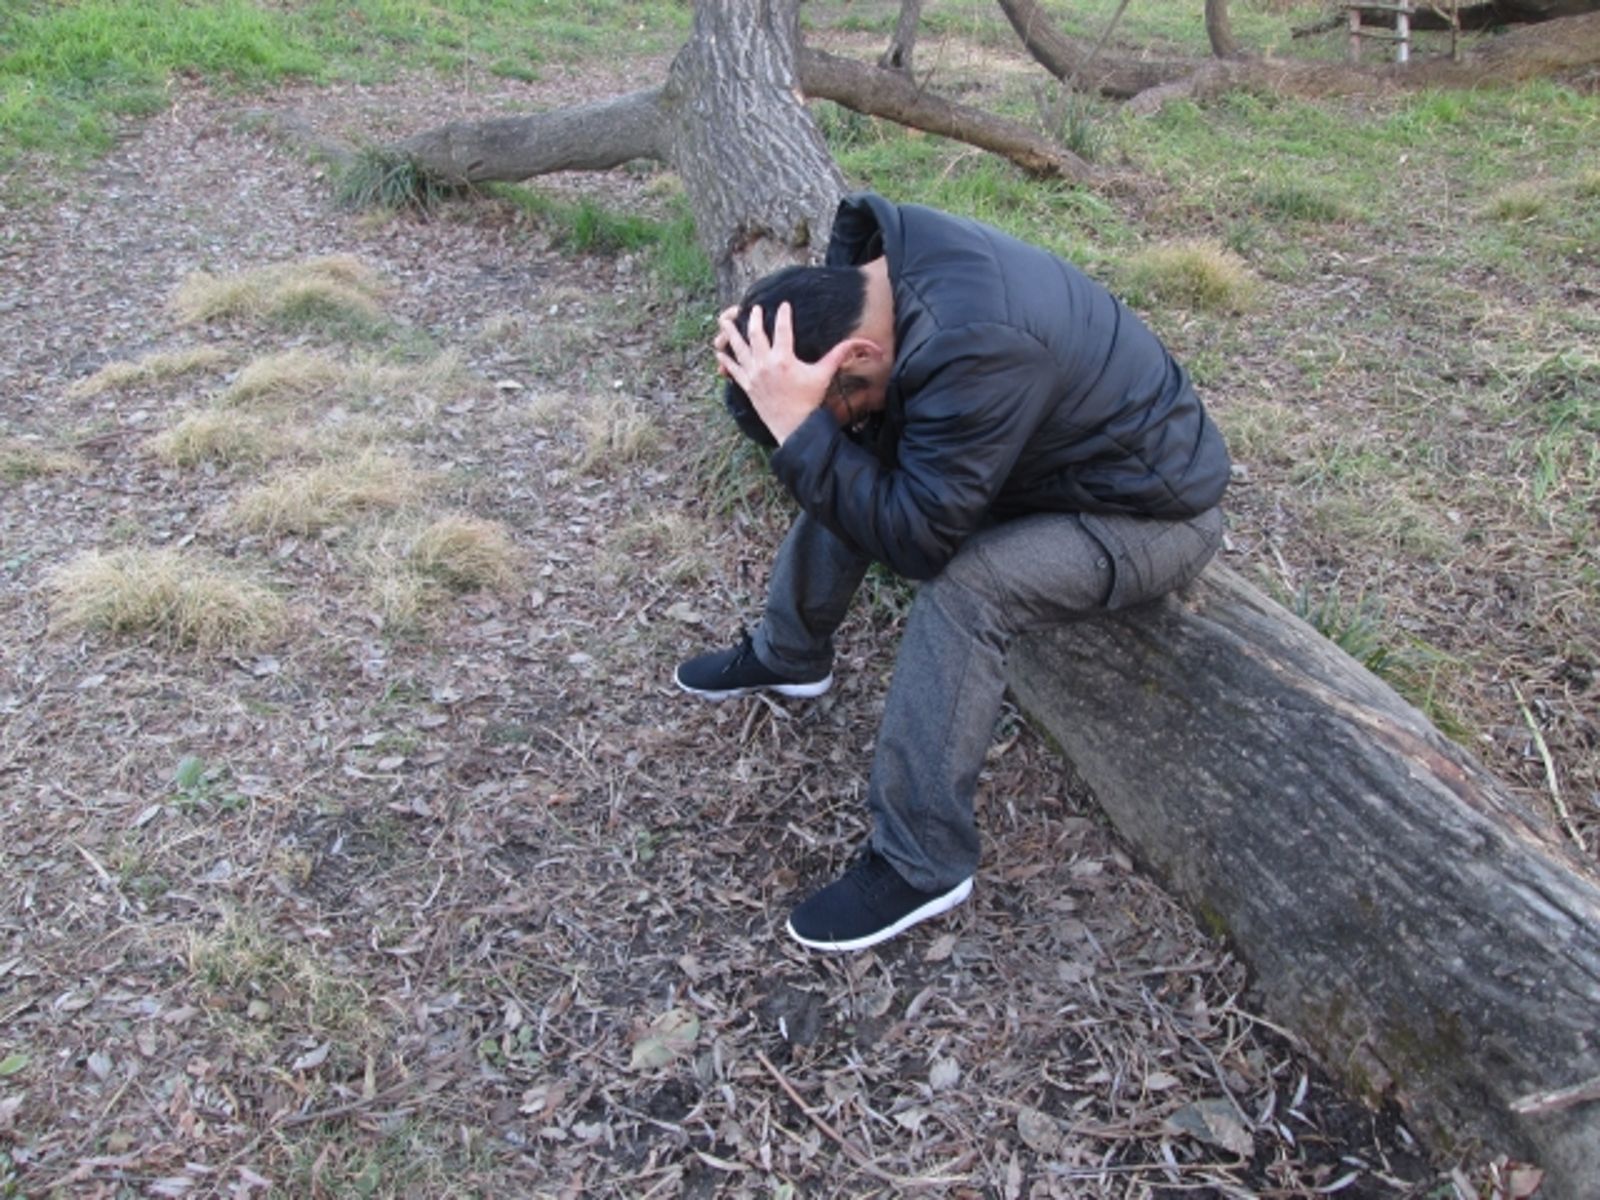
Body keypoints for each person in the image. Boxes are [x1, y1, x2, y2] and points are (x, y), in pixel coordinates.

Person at [675, 193, 1230, 953]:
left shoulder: (977, 345)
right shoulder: (873, 285)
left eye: (842, 396)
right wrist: (776, 383)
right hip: (1049, 465)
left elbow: (919, 545)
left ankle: (923, 861)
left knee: (970, 583)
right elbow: (870, 460)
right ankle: (789, 654)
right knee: (849, 448)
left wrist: (807, 430)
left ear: (856, 356)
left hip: (1150, 513)